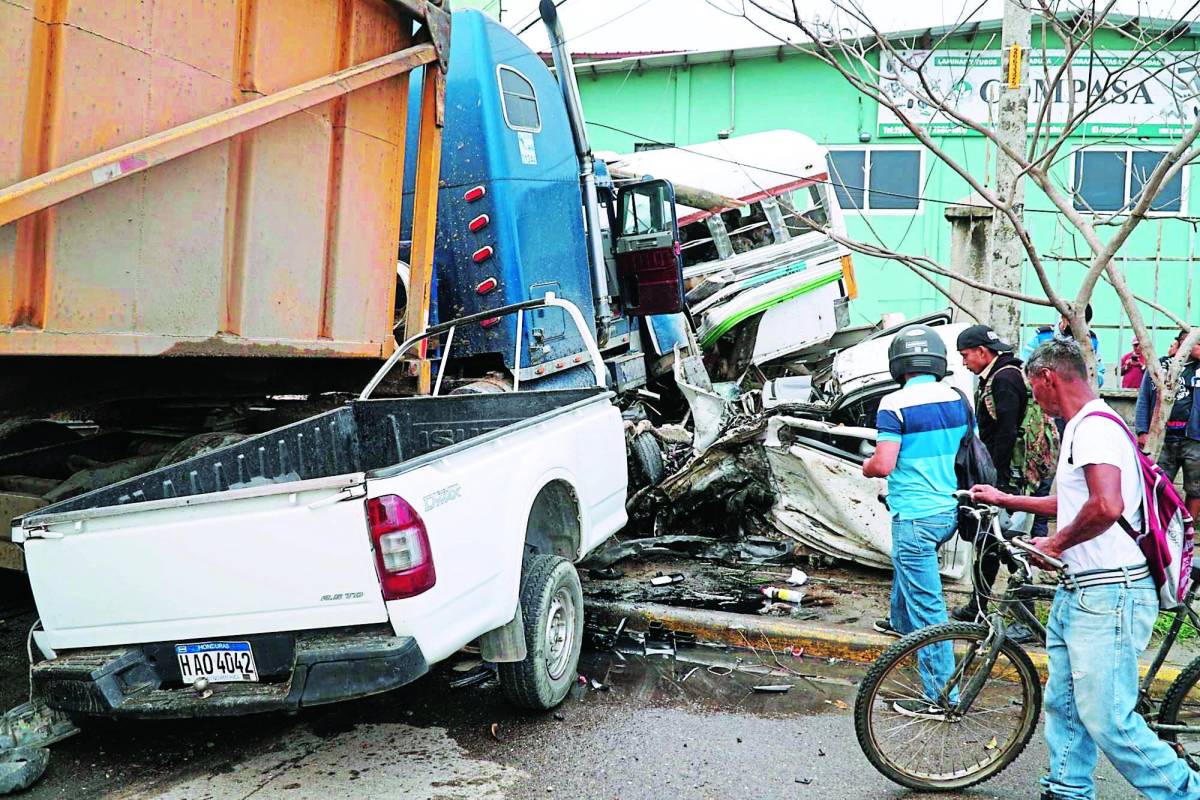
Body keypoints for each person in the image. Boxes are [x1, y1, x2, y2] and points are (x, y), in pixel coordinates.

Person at [972, 339, 1200, 800]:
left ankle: (1185, 791)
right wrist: (1006, 499)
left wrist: (1056, 543)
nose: (1034, 398)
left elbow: (1106, 505)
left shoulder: (1093, 427)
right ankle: (1067, 788)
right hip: (1081, 587)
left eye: (1034, 388)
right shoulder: (1088, 425)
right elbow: (1079, 501)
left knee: (1108, 718)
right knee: (1065, 702)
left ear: (1047, 378)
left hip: (1110, 590)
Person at [862, 324, 968, 718]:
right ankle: (899, 624)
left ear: (899, 364)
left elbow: (884, 463)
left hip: (915, 515)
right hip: (949, 510)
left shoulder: (893, 404)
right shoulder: (958, 398)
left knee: (930, 609)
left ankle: (941, 696)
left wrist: (867, 465)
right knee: (906, 565)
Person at [951, 324, 1034, 637]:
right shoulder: (1000, 374)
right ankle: (978, 605)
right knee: (990, 542)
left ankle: (1026, 619)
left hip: (1007, 478)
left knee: (1010, 545)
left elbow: (1006, 434)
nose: (964, 363)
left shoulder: (1004, 378)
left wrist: (995, 484)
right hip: (1003, 476)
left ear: (982, 352)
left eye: (966, 355)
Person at [1135, 329, 1200, 521]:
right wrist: (1142, 430)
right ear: (1183, 344)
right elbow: (1144, 398)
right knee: (1158, 485)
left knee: (1195, 487)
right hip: (1162, 437)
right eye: (1198, 344)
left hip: (1193, 439)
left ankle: (1188, 526)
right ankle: (1159, 525)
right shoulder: (1160, 366)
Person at [1022, 303, 1106, 387]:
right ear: (1063, 317)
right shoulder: (1043, 336)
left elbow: (1099, 375)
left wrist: (1084, 377)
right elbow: (1026, 365)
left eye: (1081, 324)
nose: (1075, 328)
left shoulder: (1091, 340)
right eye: (1072, 322)